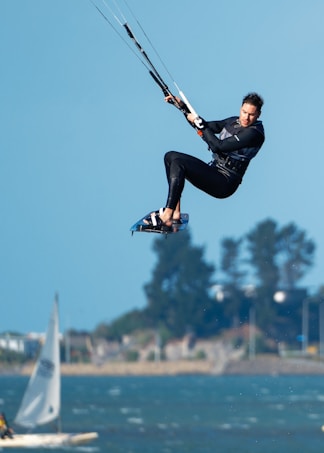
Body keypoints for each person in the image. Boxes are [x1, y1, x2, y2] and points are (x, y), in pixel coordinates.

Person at [144, 92, 265, 231]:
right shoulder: (233, 122)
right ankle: (175, 213)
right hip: (214, 170)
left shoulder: (254, 134)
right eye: (244, 112)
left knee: (179, 163)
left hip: (225, 182)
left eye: (251, 114)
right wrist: (182, 106)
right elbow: (205, 126)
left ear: (258, 115)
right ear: (240, 108)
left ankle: (166, 216)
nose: (246, 117)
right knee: (170, 157)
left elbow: (218, 145)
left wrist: (202, 126)